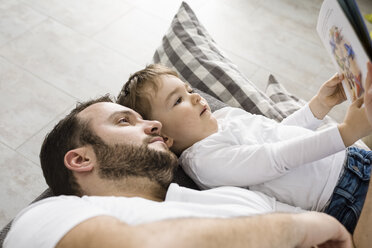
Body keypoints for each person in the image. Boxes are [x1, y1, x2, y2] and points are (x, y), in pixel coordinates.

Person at [3, 96, 355, 247]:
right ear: (81, 160)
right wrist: (296, 227)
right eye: (124, 120)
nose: (155, 124)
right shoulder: (46, 216)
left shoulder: (228, 196)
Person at [118, 63, 372, 233]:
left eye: (189, 89)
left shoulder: (223, 116)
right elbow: (277, 158)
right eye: (178, 100)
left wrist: (318, 107)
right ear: (165, 137)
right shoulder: (205, 162)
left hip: (351, 159)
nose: (196, 96)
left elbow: (277, 134)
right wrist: (347, 132)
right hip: (345, 194)